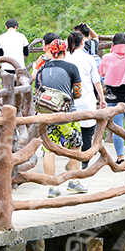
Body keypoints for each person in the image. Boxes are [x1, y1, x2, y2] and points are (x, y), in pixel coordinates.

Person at [35, 39, 87, 198]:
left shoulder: (42, 68)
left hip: (47, 115)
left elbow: (38, 89)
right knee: (76, 145)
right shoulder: (71, 67)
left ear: (51, 51)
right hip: (67, 114)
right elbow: (77, 93)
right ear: (64, 52)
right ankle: (73, 181)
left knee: (49, 149)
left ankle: (52, 186)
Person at [98, 33, 125, 164]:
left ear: (113, 45)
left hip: (113, 95)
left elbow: (101, 73)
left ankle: (119, 157)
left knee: (117, 128)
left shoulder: (107, 57)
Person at [66, 31, 107, 169]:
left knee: (71, 130)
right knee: (87, 132)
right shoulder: (89, 58)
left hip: (70, 100)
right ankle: (84, 161)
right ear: (82, 42)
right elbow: (96, 81)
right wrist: (101, 98)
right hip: (87, 98)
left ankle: (73, 158)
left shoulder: (66, 58)